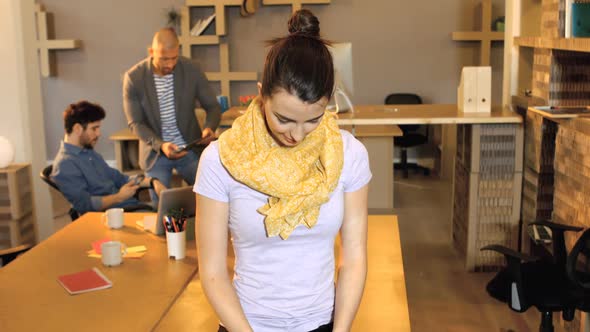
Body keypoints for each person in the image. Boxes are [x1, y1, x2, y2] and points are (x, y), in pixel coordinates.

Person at [194, 10, 371, 332]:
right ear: (261, 94)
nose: (297, 135)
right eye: (284, 119)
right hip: (244, 325)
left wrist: (341, 330)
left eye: (313, 120)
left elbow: (354, 258)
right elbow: (212, 271)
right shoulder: (221, 159)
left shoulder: (349, 155)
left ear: (328, 102)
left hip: (322, 323)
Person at [122, 27, 221, 196]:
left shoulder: (192, 70)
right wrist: (162, 146)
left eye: (174, 58)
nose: (170, 64)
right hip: (155, 152)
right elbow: (135, 123)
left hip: (189, 147)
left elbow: (212, 107)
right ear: (151, 51)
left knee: (210, 194)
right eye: (164, 59)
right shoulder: (134, 78)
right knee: (161, 204)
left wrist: (209, 127)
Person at [51, 101, 166, 215]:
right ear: (77, 129)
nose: (99, 133)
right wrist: (119, 197)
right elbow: (85, 206)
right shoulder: (64, 165)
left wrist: (152, 181)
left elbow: (120, 179)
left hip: (131, 207)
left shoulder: (88, 153)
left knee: (174, 214)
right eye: (94, 128)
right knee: (170, 222)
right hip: (116, 216)